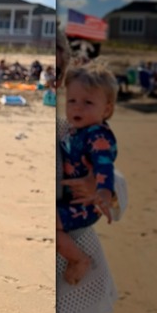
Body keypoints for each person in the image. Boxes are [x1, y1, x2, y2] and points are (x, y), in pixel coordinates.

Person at [55, 29, 127, 313]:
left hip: (77, 249)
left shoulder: (79, 130)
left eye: (58, 68)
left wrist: (106, 190)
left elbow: (114, 185)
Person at [57, 62, 119, 285]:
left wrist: (103, 190)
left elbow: (104, 165)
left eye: (88, 102)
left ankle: (79, 260)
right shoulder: (75, 132)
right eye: (71, 101)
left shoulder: (97, 135)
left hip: (84, 206)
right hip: (74, 203)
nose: (77, 108)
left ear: (107, 109)